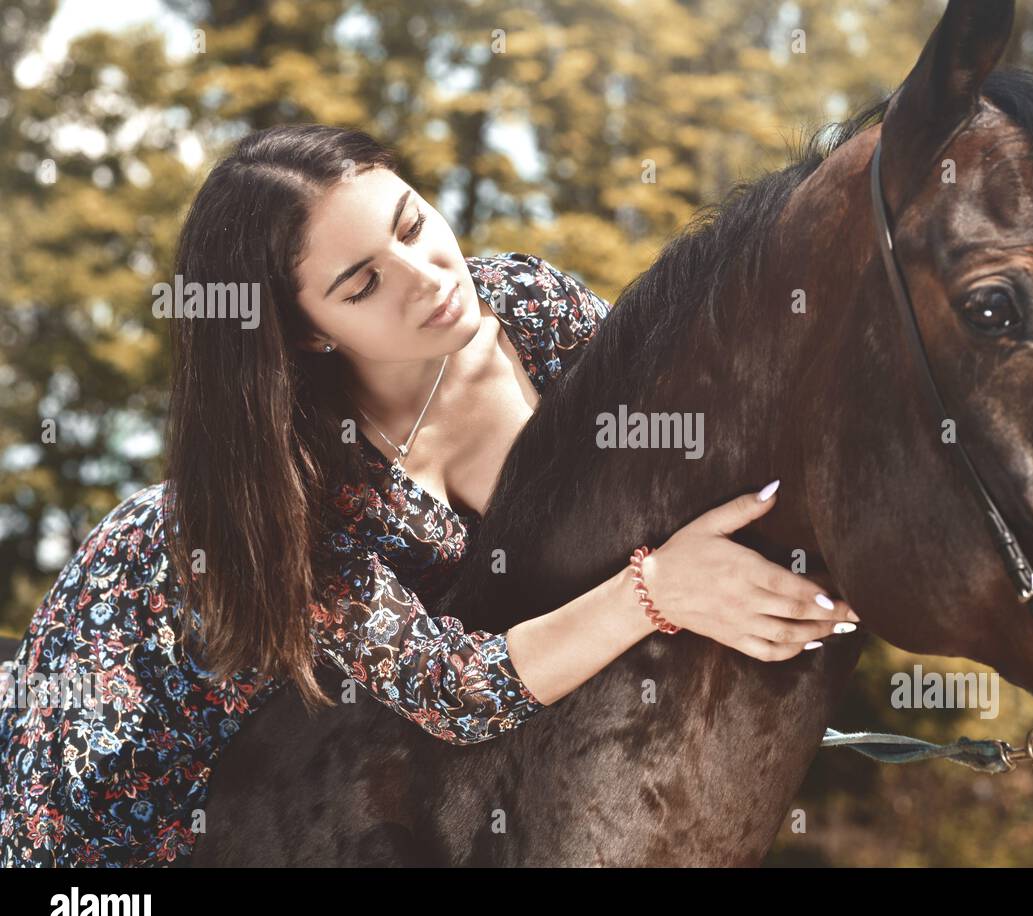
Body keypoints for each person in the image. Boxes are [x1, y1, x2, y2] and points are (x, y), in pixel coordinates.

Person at [0, 124, 859, 867]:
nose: (428, 276)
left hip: (330, 729)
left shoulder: (529, 307)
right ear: (306, 331)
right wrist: (660, 590)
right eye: (363, 284)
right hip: (139, 693)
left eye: (413, 223)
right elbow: (455, 689)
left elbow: (662, 467)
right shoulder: (301, 485)